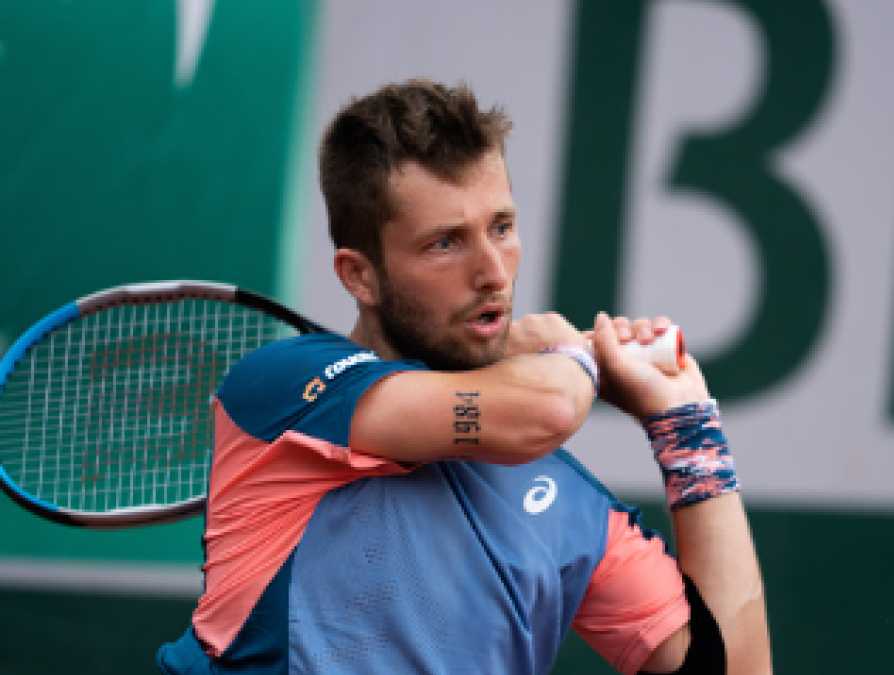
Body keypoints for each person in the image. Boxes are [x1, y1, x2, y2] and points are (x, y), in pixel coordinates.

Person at [157, 78, 771, 675]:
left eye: (501, 228)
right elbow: (550, 410)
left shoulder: (563, 497)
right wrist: (560, 343)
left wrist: (689, 432)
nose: (493, 272)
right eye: (446, 243)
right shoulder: (289, 388)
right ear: (359, 275)